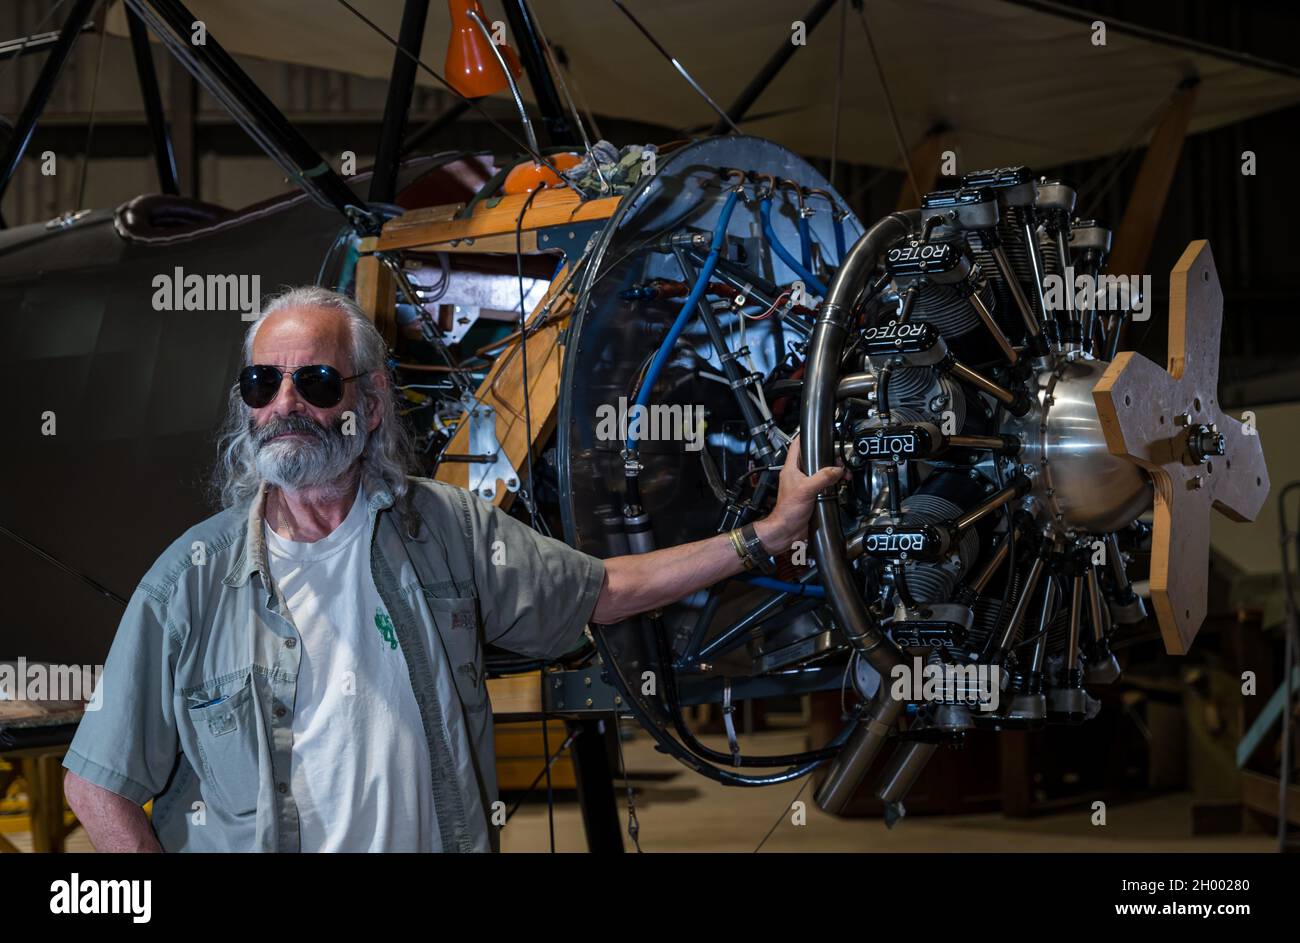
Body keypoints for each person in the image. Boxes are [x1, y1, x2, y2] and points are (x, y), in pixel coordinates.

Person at [62, 286, 842, 852]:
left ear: (368, 405)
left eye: (317, 380)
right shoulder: (191, 580)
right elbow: (95, 784)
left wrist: (765, 535)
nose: (286, 404)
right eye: (264, 383)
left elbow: (605, 591)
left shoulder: (445, 528)